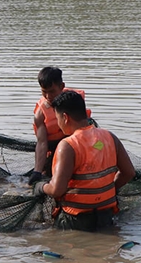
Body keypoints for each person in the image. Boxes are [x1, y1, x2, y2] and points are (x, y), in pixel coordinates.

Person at [34, 90, 135, 232]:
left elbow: (57, 190)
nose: (58, 124)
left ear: (65, 117)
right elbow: (129, 172)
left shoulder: (68, 145)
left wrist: (41, 187)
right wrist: (109, 189)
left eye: (58, 119)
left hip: (75, 220)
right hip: (106, 216)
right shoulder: (109, 137)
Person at [28, 67, 94, 185]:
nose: (48, 96)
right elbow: (42, 142)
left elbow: (86, 130)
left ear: (61, 86)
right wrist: (37, 171)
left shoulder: (74, 101)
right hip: (54, 148)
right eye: (44, 91)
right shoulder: (40, 114)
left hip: (78, 142)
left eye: (52, 91)